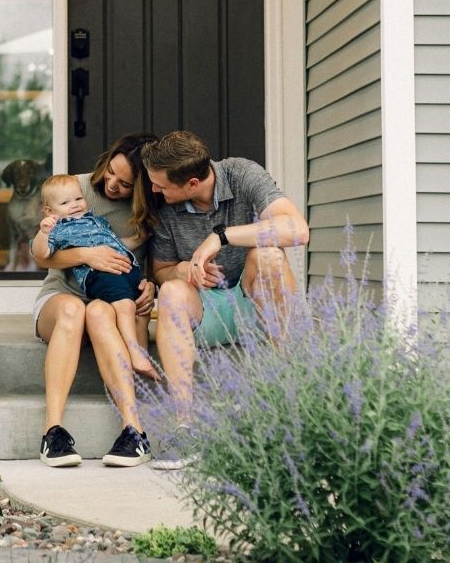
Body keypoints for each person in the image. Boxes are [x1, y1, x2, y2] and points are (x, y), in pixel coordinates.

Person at [141, 130, 309, 466]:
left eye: (160, 184)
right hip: (208, 311)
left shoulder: (242, 174)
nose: (154, 190)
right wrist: (184, 270)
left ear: (191, 183)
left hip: (255, 305)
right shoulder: (165, 208)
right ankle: (185, 427)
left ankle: (288, 404)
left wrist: (222, 237)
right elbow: (161, 271)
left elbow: (297, 229)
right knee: (172, 290)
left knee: (268, 257)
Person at [32, 133, 158, 469]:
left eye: (126, 183)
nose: (112, 184)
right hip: (62, 299)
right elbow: (43, 257)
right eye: (111, 172)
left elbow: (152, 265)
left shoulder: (147, 210)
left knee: (99, 310)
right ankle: (52, 432)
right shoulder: (75, 188)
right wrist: (88, 254)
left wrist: (151, 286)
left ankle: (134, 432)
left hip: (110, 300)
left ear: (144, 187)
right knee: (76, 308)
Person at [31, 173, 156, 380]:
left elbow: (118, 245)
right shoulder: (59, 229)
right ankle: (136, 354)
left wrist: (140, 238)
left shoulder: (96, 221)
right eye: (65, 202)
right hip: (99, 274)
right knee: (125, 306)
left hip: (125, 270)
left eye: (78, 199)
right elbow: (41, 254)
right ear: (50, 211)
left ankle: (137, 386)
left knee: (138, 309)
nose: (75, 205)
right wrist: (43, 233)